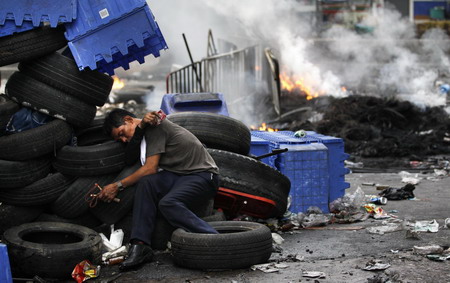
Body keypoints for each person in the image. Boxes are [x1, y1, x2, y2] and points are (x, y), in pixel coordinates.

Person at [98, 108, 219, 271]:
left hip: (203, 175)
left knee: (167, 203)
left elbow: (150, 168)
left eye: (122, 133)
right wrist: (139, 129)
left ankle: (216, 240)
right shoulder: (142, 134)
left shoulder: (155, 125)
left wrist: (117, 185)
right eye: (120, 139)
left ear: (128, 119)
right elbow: (129, 159)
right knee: (146, 183)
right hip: (179, 175)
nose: (124, 140)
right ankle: (141, 246)